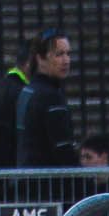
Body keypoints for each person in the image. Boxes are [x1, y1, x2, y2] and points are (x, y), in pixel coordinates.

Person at [16, 26, 79, 173]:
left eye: (68, 54)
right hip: (48, 180)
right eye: (59, 54)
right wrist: (83, 180)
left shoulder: (28, 90)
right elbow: (63, 148)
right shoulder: (50, 96)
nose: (66, 60)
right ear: (41, 58)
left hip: (27, 177)